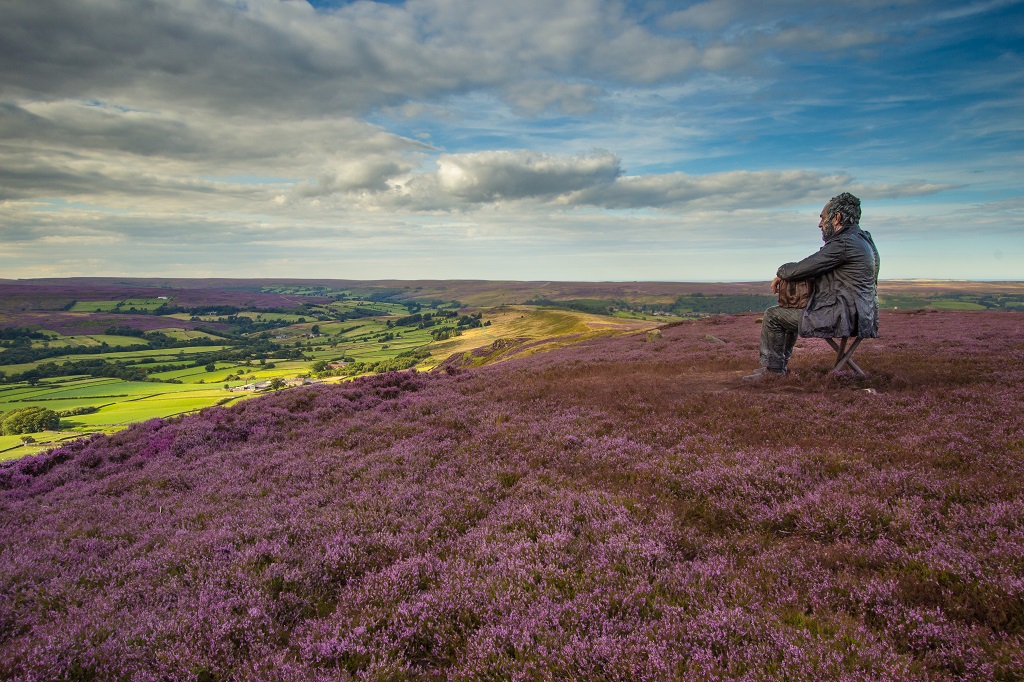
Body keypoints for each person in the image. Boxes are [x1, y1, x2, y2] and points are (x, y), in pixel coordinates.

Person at [743, 192, 880, 381]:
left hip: (842, 317)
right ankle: (777, 368)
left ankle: (774, 371)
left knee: (774, 316)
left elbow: (799, 269)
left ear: (837, 218)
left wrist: (780, 272)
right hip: (863, 316)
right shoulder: (864, 241)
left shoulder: (844, 244)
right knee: (787, 313)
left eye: (823, 218)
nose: (820, 224)